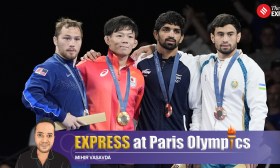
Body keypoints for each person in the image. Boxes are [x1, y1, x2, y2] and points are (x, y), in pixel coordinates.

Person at [131, 13, 268, 168]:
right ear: (212, 37)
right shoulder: (202, 62)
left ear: (238, 37)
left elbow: (259, 109)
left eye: (230, 34)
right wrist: (153, 46)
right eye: (220, 34)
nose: (225, 39)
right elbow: (173, 53)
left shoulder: (251, 68)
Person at [82, 11, 201, 168]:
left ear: (182, 37)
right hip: (144, 146)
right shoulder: (139, 63)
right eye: (166, 30)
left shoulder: (192, 64)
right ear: (156, 34)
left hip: (176, 145)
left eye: (176, 31)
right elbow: (133, 108)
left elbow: (197, 109)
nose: (171, 34)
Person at [77, 15, 144, 168]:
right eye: (119, 35)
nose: (125, 40)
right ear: (107, 39)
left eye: (129, 36)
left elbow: (134, 113)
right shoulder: (88, 65)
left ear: (135, 43)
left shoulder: (138, 76)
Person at [22, 17, 87, 131]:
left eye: (77, 39)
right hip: (57, 141)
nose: (72, 43)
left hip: (80, 141)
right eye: (66, 38)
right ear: (55, 40)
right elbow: (29, 96)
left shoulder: (77, 69)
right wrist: (62, 115)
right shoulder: (48, 68)